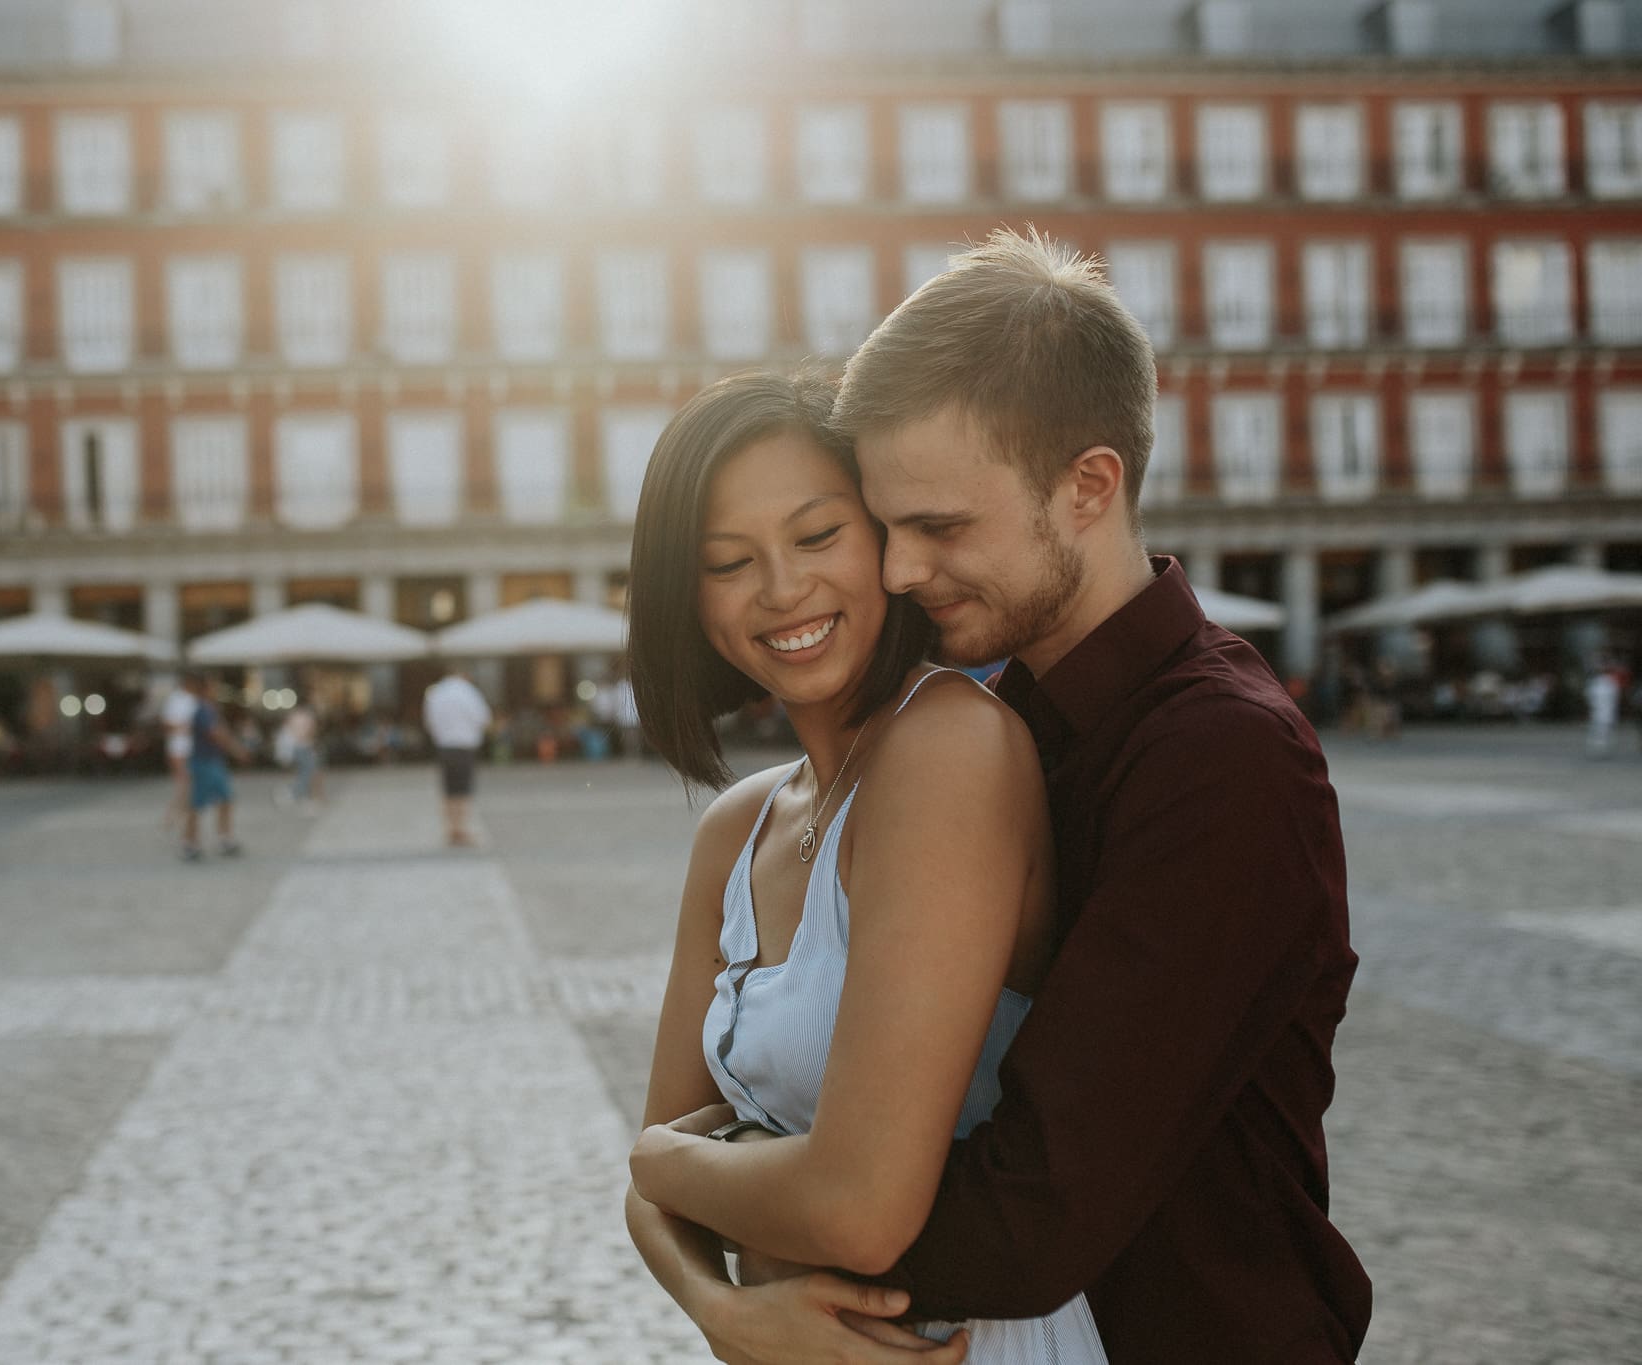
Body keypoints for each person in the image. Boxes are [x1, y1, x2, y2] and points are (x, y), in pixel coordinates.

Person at [632, 231, 1369, 1363]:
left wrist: (684, 1187)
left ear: (1088, 486)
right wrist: (718, 1289)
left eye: (936, 528)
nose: (896, 570)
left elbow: (1026, 1212)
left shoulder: (1222, 758)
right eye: (890, 525)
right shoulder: (1012, 719)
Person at [622, 371, 1100, 1363]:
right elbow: (650, 1198)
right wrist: (726, 1314)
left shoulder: (948, 749)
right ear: (689, 593)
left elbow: (859, 1211)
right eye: (726, 560)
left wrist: (670, 1157)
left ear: (884, 538)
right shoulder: (735, 828)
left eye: (815, 536)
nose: (782, 589)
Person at [421, 663, 492, 847]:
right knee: (463, 789)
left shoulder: (436, 693)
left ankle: (450, 828)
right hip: (464, 745)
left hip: (444, 745)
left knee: (448, 789)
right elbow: (483, 718)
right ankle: (461, 828)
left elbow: (429, 721)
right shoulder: (469, 692)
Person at [182, 674, 243, 860]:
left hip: (210, 760)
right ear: (206, 689)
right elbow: (215, 733)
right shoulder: (203, 710)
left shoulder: (208, 709)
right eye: (213, 687)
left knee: (224, 799)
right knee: (198, 802)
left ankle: (223, 838)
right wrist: (235, 749)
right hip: (204, 761)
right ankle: (191, 842)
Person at [160, 674, 199, 830]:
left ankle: (178, 813)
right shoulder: (176, 699)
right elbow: (167, 723)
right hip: (179, 746)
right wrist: (184, 728)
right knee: (184, 782)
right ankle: (172, 815)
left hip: (189, 746)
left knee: (186, 782)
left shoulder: (193, 699)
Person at [278, 702, 325, 808]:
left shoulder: (292, 715)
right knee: (308, 773)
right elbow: (310, 732)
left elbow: (286, 731)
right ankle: (295, 794)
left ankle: (302, 795)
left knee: (304, 772)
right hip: (305, 747)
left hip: (295, 748)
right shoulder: (308, 716)